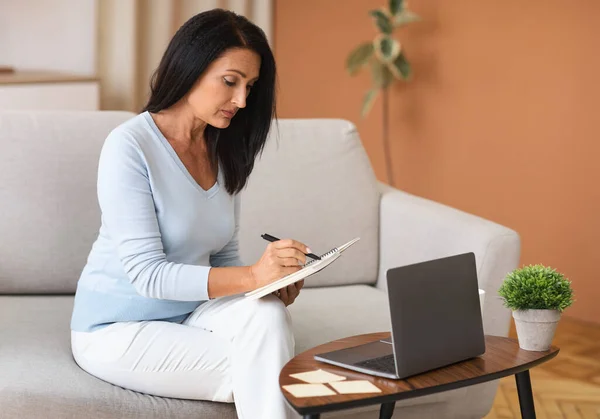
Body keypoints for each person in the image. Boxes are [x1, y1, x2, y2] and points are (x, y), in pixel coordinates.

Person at [70, 9, 308, 419]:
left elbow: (223, 257)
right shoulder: (129, 146)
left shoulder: (221, 148)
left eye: (250, 86)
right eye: (230, 82)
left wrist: (266, 287)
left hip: (193, 313)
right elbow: (147, 274)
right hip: (117, 330)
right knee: (270, 370)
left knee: (268, 315)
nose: (242, 101)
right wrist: (252, 276)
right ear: (190, 67)